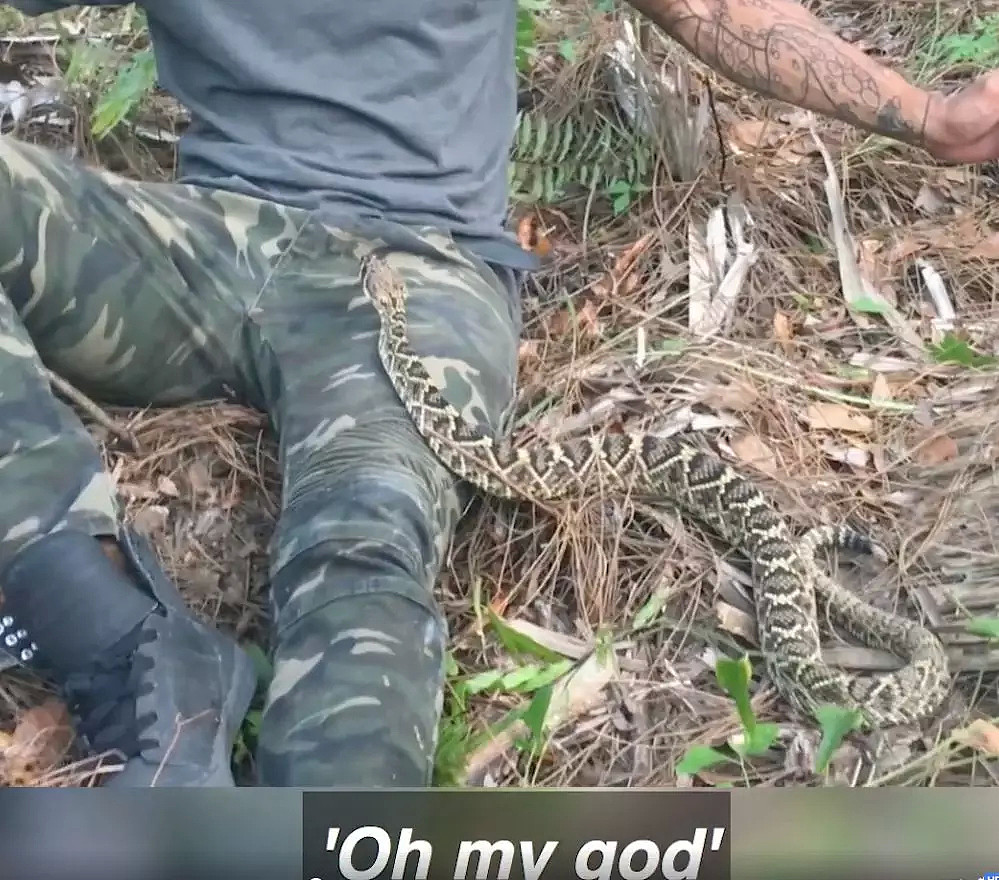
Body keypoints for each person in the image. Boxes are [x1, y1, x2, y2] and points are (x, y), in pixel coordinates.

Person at [1, 0, 998, 789]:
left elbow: (714, 8)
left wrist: (928, 117)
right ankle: (112, 632)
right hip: (202, 241)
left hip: (419, 259)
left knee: (366, 527)